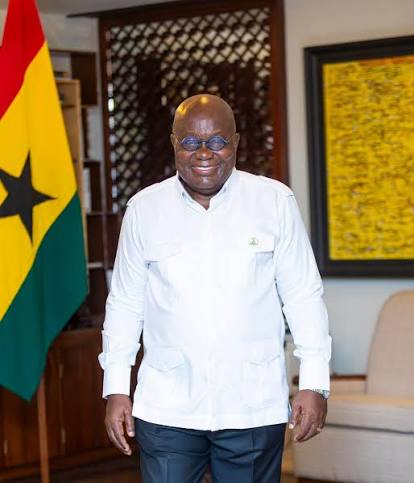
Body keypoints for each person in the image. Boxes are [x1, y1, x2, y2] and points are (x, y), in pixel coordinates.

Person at [98, 94, 331, 483]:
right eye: (190, 141)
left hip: (252, 405)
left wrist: (314, 383)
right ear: (174, 144)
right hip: (167, 407)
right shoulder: (144, 209)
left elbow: (303, 296)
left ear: (236, 142)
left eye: (217, 141)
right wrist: (116, 388)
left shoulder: (274, 201)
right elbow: (124, 304)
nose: (204, 152)